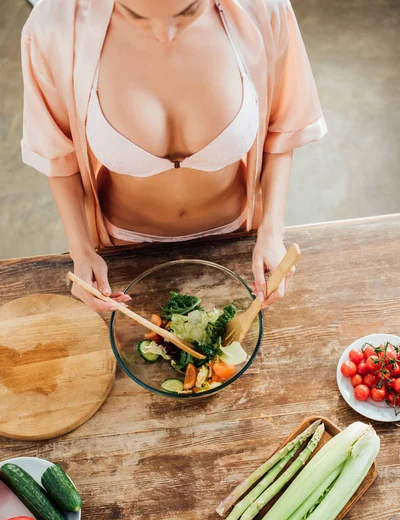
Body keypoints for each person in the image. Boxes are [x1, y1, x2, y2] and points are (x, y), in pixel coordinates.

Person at [21, 0, 326, 312]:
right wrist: (81, 251)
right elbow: (59, 155)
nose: (164, 34)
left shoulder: (263, 9)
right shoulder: (54, 26)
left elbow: (281, 132)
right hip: (123, 248)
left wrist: (272, 233)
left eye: (188, 11)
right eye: (134, 14)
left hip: (237, 235)